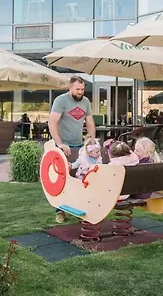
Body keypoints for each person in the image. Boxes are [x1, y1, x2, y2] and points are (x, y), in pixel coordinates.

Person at [48, 76, 96, 223]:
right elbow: (52, 122)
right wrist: (60, 144)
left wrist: (91, 142)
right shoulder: (61, 101)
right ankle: (60, 211)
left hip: (79, 145)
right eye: (77, 89)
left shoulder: (85, 101)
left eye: (82, 89)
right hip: (63, 145)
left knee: (79, 178)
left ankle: (77, 208)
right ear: (70, 88)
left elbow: (90, 122)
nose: (80, 92)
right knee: (62, 179)